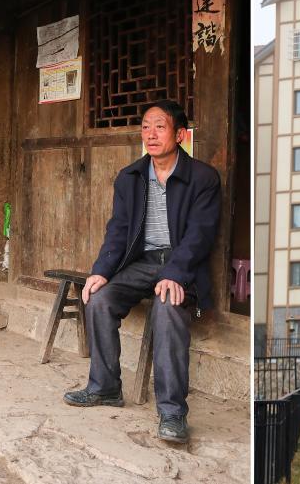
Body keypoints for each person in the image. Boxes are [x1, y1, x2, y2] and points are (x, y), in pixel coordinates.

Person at [63, 100, 221, 444]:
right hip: (143, 263)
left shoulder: (203, 178)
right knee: (99, 298)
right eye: (146, 127)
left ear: (179, 134)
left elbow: (200, 235)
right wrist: (101, 270)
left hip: (182, 266)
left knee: (167, 309)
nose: (151, 134)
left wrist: (177, 273)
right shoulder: (130, 177)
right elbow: (118, 229)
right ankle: (104, 387)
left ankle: (172, 412)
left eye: (160, 127)